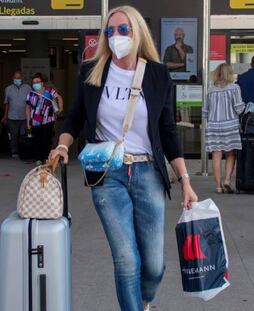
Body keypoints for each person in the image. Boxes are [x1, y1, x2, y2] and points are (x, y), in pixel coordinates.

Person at [49, 6, 198, 311]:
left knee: (155, 265)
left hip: (148, 174)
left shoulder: (156, 73)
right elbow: (75, 117)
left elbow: (167, 131)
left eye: (122, 29)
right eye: (110, 31)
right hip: (107, 175)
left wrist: (185, 180)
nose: (115, 36)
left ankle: (143, 302)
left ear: (137, 32)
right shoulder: (93, 70)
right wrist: (62, 145)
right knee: (126, 259)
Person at [204, 63, 245, 194]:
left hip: (213, 125)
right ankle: (227, 180)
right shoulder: (234, 88)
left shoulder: (210, 89)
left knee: (216, 154)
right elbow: (239, 108)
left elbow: (205, 110)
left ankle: (218, 186)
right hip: (230, 124)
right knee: (230, 154)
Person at [26, 72, 63, 164]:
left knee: (47, 139)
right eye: (34, 82)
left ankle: (46, 157)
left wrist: (61, 108)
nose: (36, 84)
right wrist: (28, 122)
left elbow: (59, 97)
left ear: (42, 83)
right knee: (37, 139)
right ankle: (38, 158)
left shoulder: (49, 91)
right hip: (35, 121)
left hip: (48, 119)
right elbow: (27, 108)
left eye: (38, 82)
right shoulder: (31, 94)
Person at [1, 70, 32, 158]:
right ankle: (14, 152)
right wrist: (5, 116)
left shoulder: (28, 88)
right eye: (15, 78)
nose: (17, 79)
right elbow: (6, 103)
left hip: (24, 116)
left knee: (23, 134)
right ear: (13, 78)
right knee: (13, 135)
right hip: (12, 116)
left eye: (18, 78)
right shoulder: (8, 89)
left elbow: (31, 103)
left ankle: (23, 151)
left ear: (22, 78)